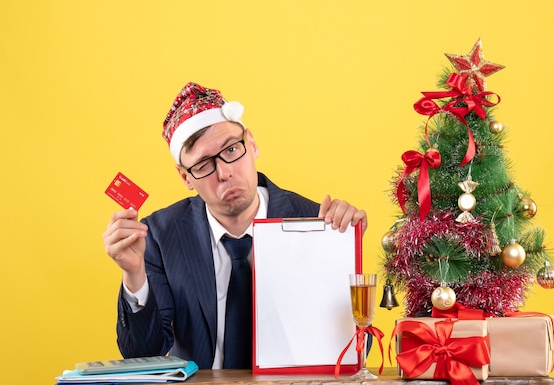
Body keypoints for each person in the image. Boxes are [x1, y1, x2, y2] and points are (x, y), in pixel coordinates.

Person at [102, 82, 367, 370]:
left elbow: (347, 347)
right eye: (203, 165)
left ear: (251, 144)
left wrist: (341, 253)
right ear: (185, 178)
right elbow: (142, 354)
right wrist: (134, 274)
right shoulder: (160, 236)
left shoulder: (314, 222)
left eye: (231, 149)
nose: (225, 172)